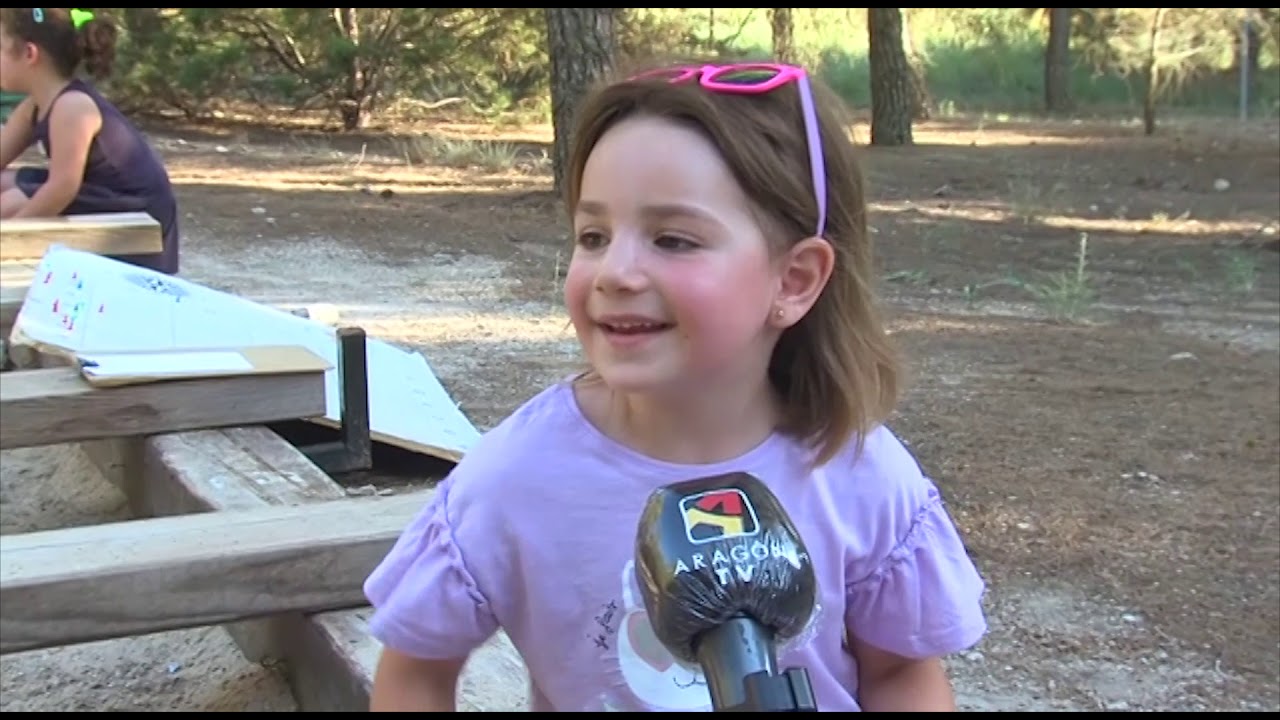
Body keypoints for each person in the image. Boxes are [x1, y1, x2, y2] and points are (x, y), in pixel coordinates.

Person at [363, 60, 988, 712]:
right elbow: (415, 670)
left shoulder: (858, 475)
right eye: (593, 236)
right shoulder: (515, 480)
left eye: (673, 239)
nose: (615, 271)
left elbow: (900, 675)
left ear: (794, 280)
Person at [0, 8, 179, 274]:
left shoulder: (72, 106)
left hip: (132, 209)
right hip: (96, 196)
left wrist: (11, 239)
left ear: (29, 54)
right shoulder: (35, 105)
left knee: (12, 202)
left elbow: (62, 188)